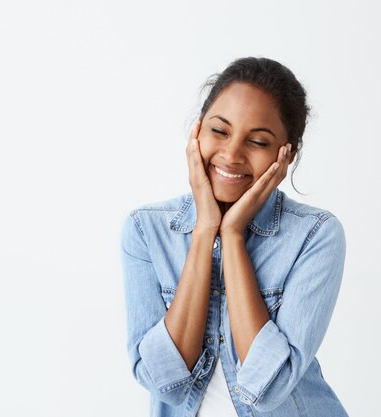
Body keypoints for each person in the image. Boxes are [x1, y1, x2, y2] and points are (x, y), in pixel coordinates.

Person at [119, 57, 348, 417]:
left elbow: (269, 387)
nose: (231, 154)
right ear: (197, 133)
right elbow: (161, 380)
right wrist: (205, 231)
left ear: (285, 156)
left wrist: (233, 236)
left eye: (257, 140)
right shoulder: (146, 230)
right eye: (219, 131)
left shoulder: (316, 235)